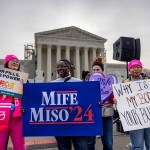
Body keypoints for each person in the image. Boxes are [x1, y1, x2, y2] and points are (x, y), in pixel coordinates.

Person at [52, 59, 88, 150]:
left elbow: (87, 100)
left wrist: (97, 103)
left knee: (82, 147)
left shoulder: (79, 82)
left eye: (63, 66)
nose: (60, 68)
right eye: (58, 66)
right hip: (61, 125)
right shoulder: (52, 84)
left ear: (69, 68)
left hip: (78, 124)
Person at [88, 57, 115, 150]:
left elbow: (113, 97)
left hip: (106, 115)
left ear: (102, 70)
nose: (96, 71)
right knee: (90, 142)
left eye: (98, 69)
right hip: (92, 115)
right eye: (94, 70)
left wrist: (114, 100)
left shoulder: (109, 83)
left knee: (108, 143)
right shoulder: (89, 83)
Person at [0, 55, 26, 150]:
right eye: (12, 60)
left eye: (17, 61)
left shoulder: (23, 79)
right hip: (1, 116)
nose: (15, 62)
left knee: (20, 146)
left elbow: (30, 94)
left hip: (17, 117)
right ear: (6, 63)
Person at [123, 59, 150, 150]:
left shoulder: (148, 81)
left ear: (141, 69)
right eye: (133, 67)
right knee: (137, 145)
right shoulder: (124, 83)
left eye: (138, 67)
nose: (136, 69)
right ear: (129, 69)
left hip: (148, 118)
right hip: (135, 120)